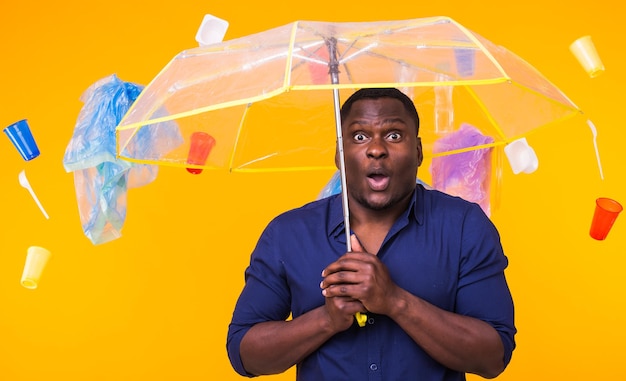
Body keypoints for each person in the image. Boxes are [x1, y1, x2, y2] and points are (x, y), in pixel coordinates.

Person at [227, 88, 516, 380]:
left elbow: (493, 357)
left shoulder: (465, 227)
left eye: (393, 135)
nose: (376, 149)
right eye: (360, 136)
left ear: (417, 152)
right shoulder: (288, 234)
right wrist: (326, 320)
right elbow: (244, 354)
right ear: (340, 155)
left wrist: (394, 301)